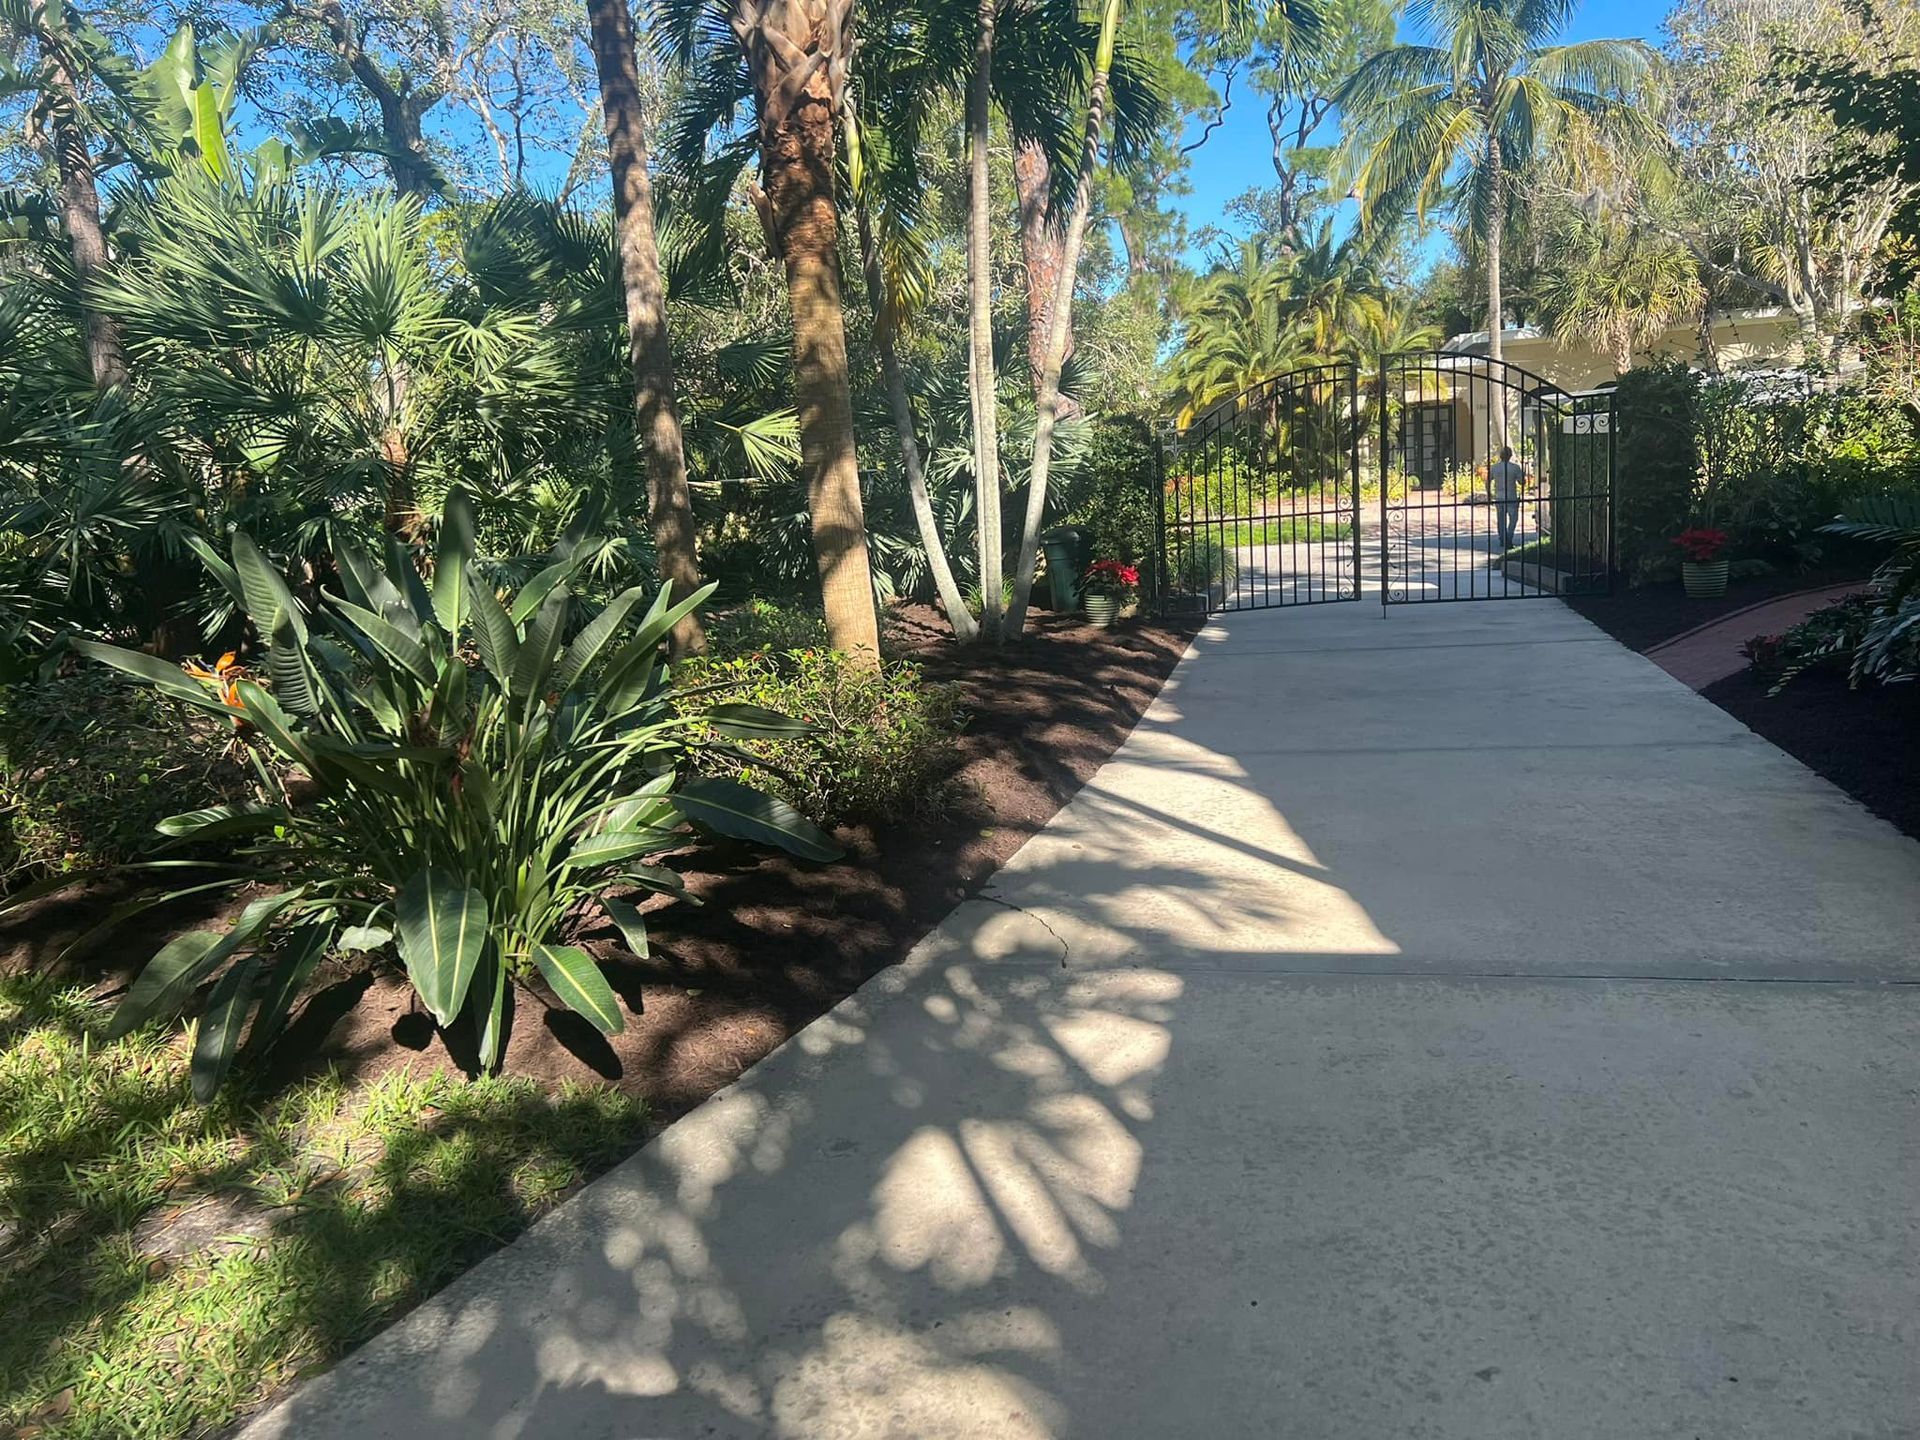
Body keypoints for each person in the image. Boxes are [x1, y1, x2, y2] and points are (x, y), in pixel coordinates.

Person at [1488, 445, 1526, 550]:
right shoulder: (1515, 468)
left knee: (1501, 519)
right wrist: (1523, 476)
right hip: (1511, 496)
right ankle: (1509, 537)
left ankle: (1502, 538)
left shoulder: (1494, 467)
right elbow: (1521, 482)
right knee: (1513, 518)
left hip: (1499, 496)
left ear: (1500, 456)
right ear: (1510, 455)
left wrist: (1489, 493)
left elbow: (1488, 480)